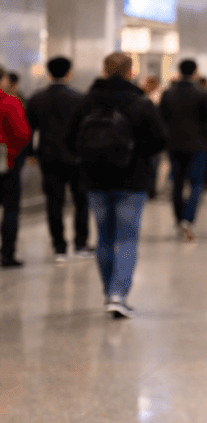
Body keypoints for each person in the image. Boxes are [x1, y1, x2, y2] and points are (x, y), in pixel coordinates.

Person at [62, 52, 168, 317]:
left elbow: (69, 138)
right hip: (132, 181)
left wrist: (86, 158)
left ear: (104, 70)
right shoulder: (141, 103)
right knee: (128, 237)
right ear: (131, 71)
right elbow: (160, 140)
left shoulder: (86, 102)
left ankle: (109, 291)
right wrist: (138, 153)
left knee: (104, 237)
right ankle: (118, 294)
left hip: (95, 180)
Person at [26, 56, 90, 262]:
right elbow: (85, 130)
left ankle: (59, 248)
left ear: (48, 73)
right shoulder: (80, 98)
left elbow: (29, 130)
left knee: (54, 202)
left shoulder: (37, 98)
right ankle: (80, 244)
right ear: (69, 73)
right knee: (81, 202)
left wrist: (30, 154)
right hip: (77, 158)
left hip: (48, 157)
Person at [159, 59, 207, 240]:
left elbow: (160, 119)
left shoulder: (168, 94)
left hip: (174, 145)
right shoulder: (203, 94)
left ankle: (178, 219)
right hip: (198, 146)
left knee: (177, 183)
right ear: (195, 72)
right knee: (196, 183)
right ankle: (188, 218)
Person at [0, 66, 33, 268]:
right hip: (7, 163)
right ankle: (7, 253)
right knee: (10, 209)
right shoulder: (9, 101)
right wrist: (13, 152)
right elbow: (22, 134)